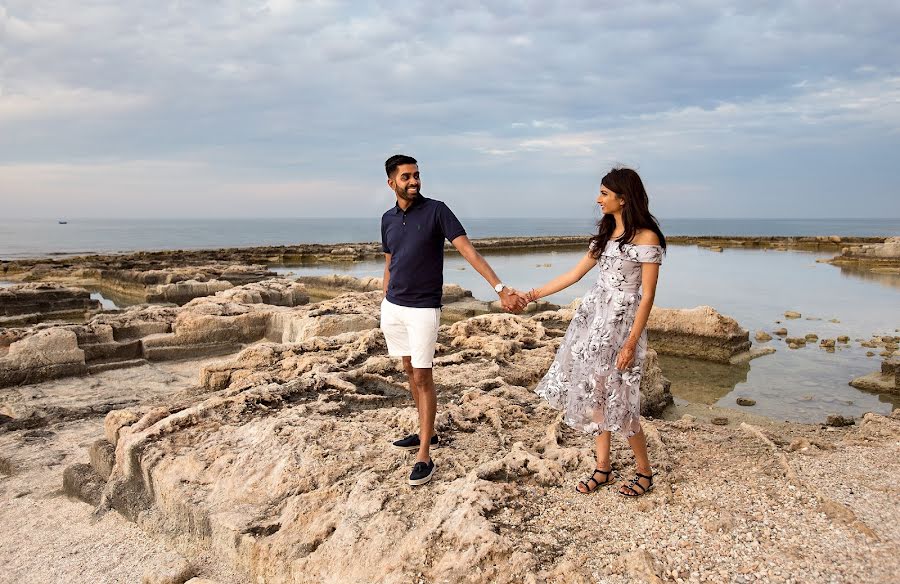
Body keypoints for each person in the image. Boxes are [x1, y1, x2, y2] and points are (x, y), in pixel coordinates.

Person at [380, 154, 527, 486]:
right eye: (406, 177)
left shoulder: (437, 211)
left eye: (416, 175)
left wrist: (500, 288)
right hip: (394, 307)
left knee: (422, 376)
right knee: (408, 370)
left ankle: (424, 456)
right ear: (392, 183)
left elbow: (468, 251)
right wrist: (385, 296)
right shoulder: (387, 218)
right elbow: (390, 260)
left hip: (423, 308)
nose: (414, 181)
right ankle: (425, 433)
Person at [526, 167, 665, 497]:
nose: (598, 199)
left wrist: (631, 342)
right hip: (592, 322)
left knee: (624, 401)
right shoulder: (604, 238)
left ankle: (644, 472)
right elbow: (573, 275)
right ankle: (603, 467)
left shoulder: (646, 238)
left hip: (621, 326)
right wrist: (531, 295)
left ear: (623, 198)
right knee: (596, 395)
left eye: (604, 193)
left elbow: (647, 296)